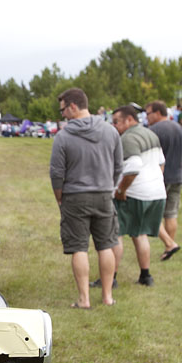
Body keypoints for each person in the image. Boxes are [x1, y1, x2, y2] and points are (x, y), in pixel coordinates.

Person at [50, 87, 122, 308]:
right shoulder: (111, 131)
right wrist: (108, 187)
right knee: (106, 245)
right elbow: (119, 166)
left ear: (73, 106)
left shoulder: (63, 136)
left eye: (63, 110)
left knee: (79, 247)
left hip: (74, 196)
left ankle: (84, 299)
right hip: (103, 195)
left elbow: (56, 173)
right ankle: (108, 296)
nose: (62, 114)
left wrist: (59, 197)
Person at [111, 105, 167, 287]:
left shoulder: (128, 138)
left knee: (116, 234)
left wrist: (120, 190)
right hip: (156, 193)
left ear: (129, 119)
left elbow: (133, 167)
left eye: (116, 122)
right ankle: (145, 276)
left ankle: (110, 278)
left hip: (134, 194)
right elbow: (161, 163)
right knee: (140, 233)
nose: (115, 126)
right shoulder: (150, 134)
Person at [145, 100, 182, 261]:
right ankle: (168, 248)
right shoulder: (179, 128)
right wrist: (180, 172)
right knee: (171, 214)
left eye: (148, 113)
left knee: (149, 213)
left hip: (159, 177)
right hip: (176, 176)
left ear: (157, 112)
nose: (146, 117)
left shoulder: (152, 131)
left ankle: (169, 244)